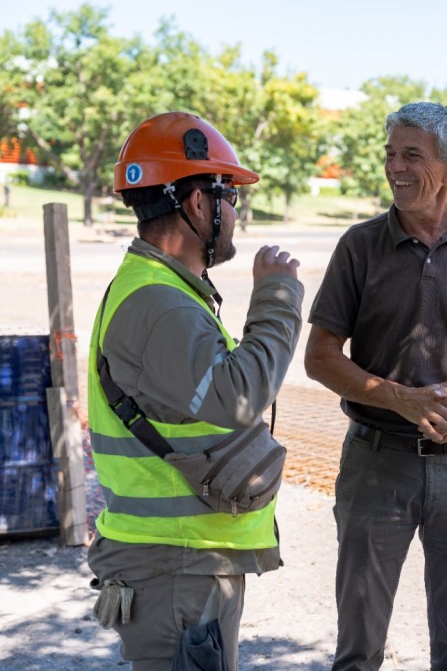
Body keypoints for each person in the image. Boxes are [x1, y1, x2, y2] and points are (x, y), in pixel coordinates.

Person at [305, 101, 447, 671]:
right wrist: (397, 398)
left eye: (412, 155)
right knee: (358, 648)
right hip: (375, 466)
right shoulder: (358, 247)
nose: (395, 167)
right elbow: (320, 357)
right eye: (390, 154)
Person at [87, 111, 304, 669]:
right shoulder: (159, 305)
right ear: (197, 203)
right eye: (228, 195)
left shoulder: (160, 292)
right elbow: (239, 398)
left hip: (180, 558)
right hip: (175, 563)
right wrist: (277, 299)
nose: (234, 213)